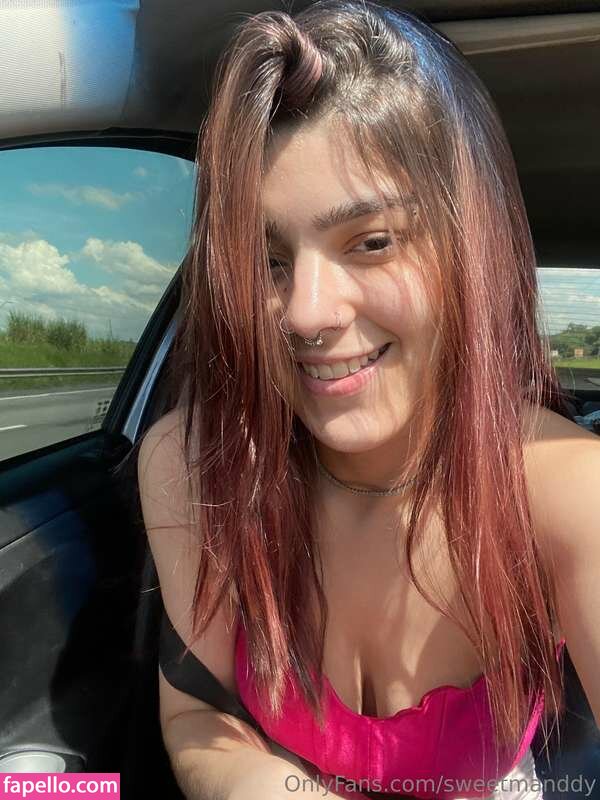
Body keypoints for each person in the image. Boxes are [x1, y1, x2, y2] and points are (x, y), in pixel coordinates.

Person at [136, 2, 600, 799]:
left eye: (373, 241)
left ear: (470, 249)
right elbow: (197, 717)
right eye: (267, 260)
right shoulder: (196, 466)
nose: (305, 312)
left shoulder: (569, 495)